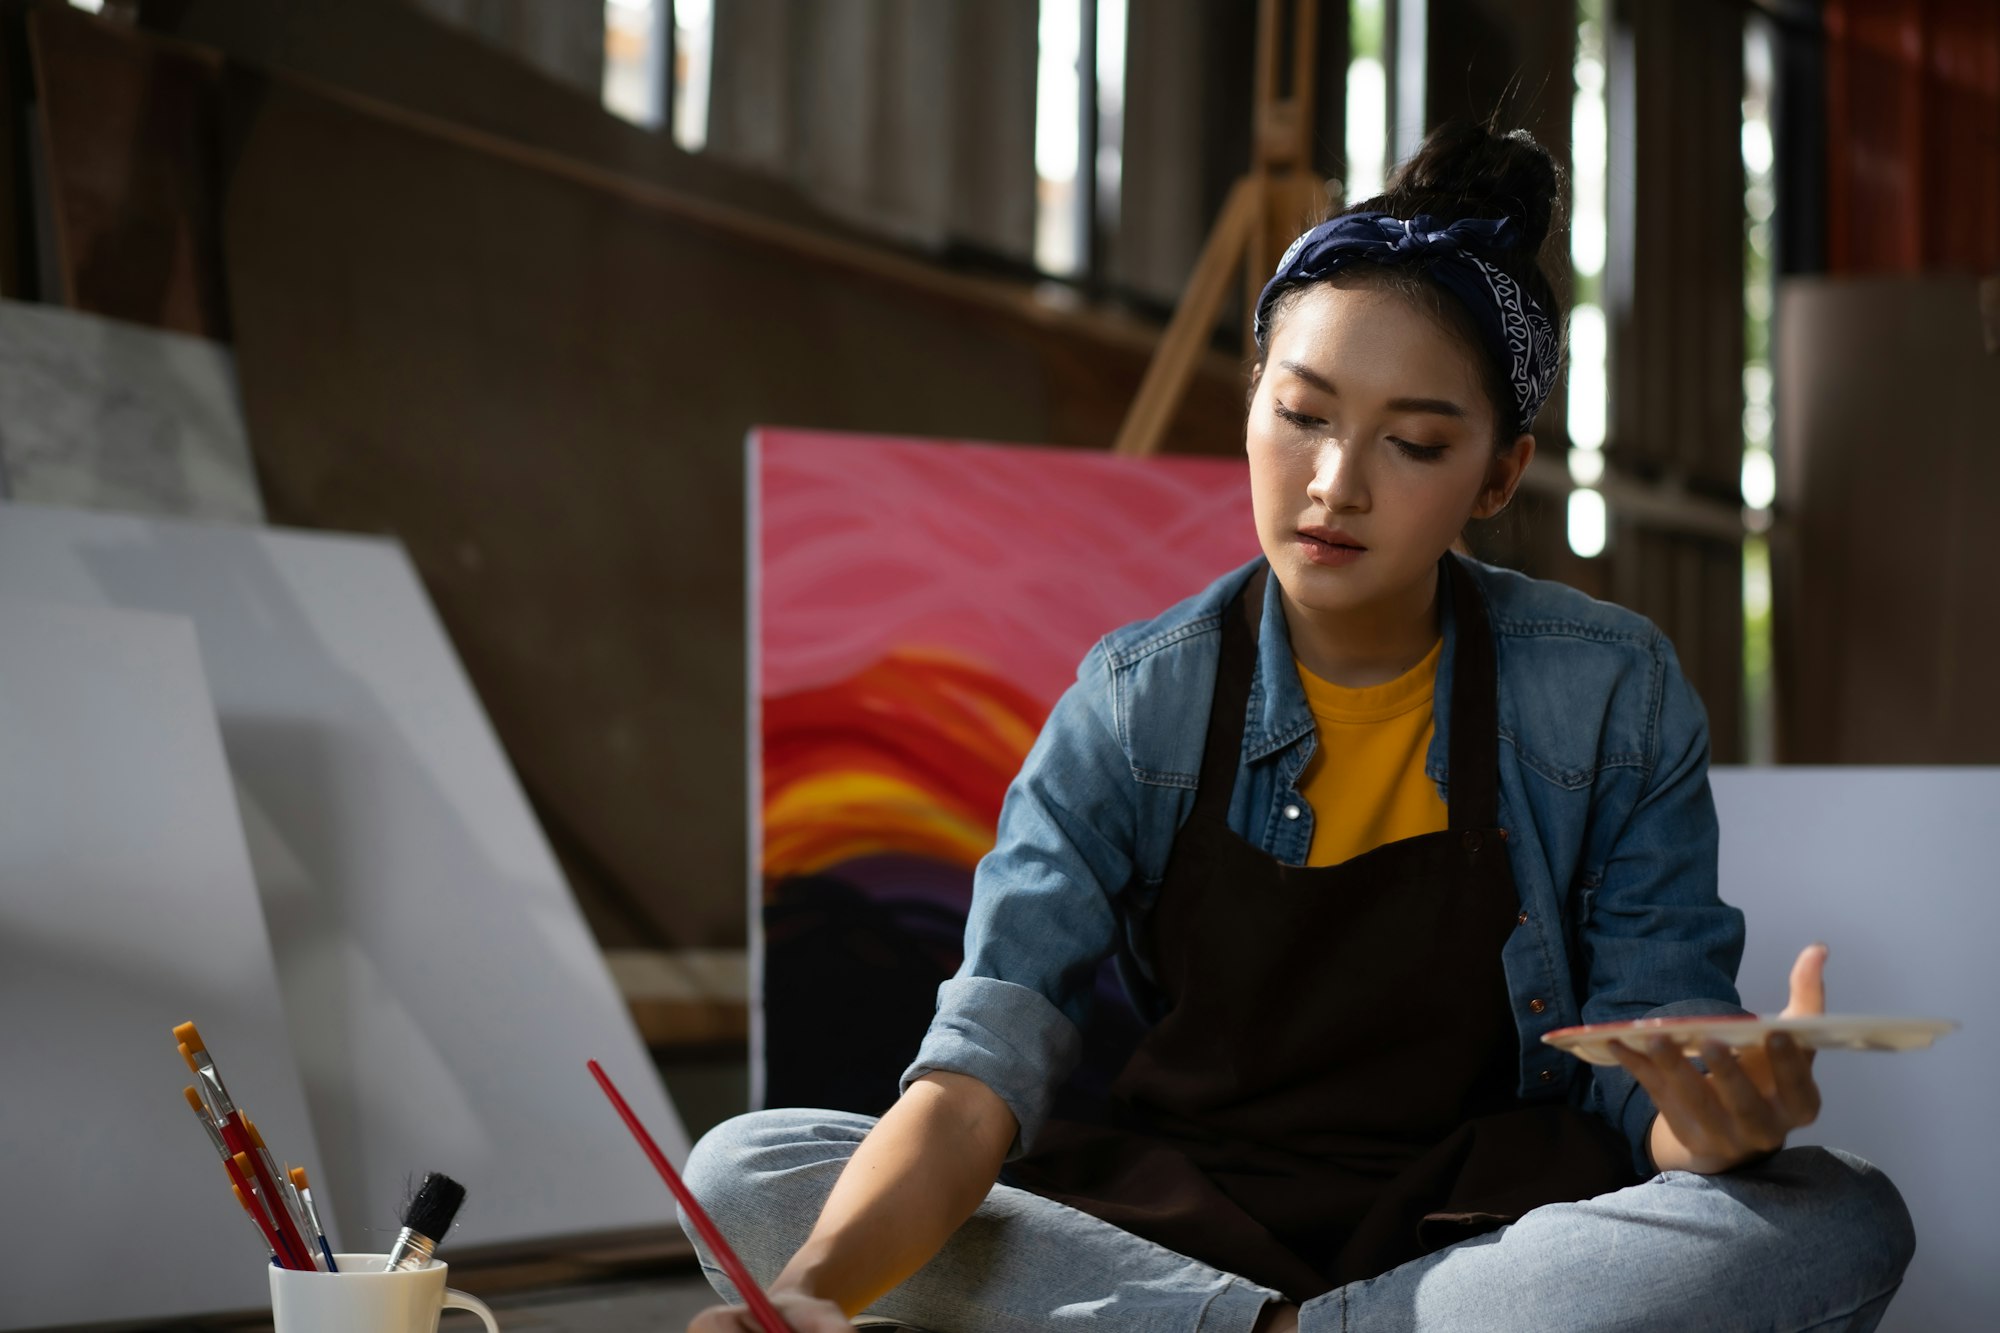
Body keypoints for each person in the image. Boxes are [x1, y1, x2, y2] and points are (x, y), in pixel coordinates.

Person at [681, 122, 1915, 1332]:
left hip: (1480, 1235)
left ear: (1497, 475)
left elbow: (1648, 1063)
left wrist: (1705, 1125)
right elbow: (975, 1079)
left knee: (1835, 1214)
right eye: (1302, 414)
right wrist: (809, 1293)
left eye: (1413, 443)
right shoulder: (1133, 701)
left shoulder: (1607, 691)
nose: (1335, 484)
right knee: (747, 1171)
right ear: (1250, 405)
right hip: (1180, 1226)